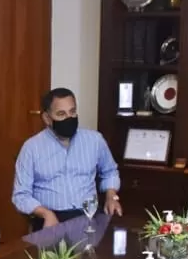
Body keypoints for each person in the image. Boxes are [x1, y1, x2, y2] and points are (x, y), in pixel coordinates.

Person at [12, 88, 122, 231]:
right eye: (61, 114)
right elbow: (20, 195)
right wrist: (45, 213)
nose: (69, 118)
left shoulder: (94, 140)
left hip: (89, 216)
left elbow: (110, 171)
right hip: (52, 219)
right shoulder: (31, 148)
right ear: (47, 118)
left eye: (72, 112)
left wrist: (111, 195)